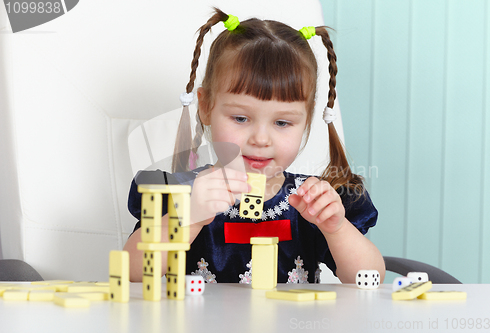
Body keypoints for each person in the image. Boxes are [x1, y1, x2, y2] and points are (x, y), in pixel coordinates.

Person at [123, 8, 385, 284]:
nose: (261, 139)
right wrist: (188, 217)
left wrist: (337, 228)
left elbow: (368, 279)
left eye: (282, 123)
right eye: (240, 118)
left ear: (306, 122)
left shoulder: (314, 200)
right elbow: (132, 272)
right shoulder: (181, 193)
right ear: (206, 107)